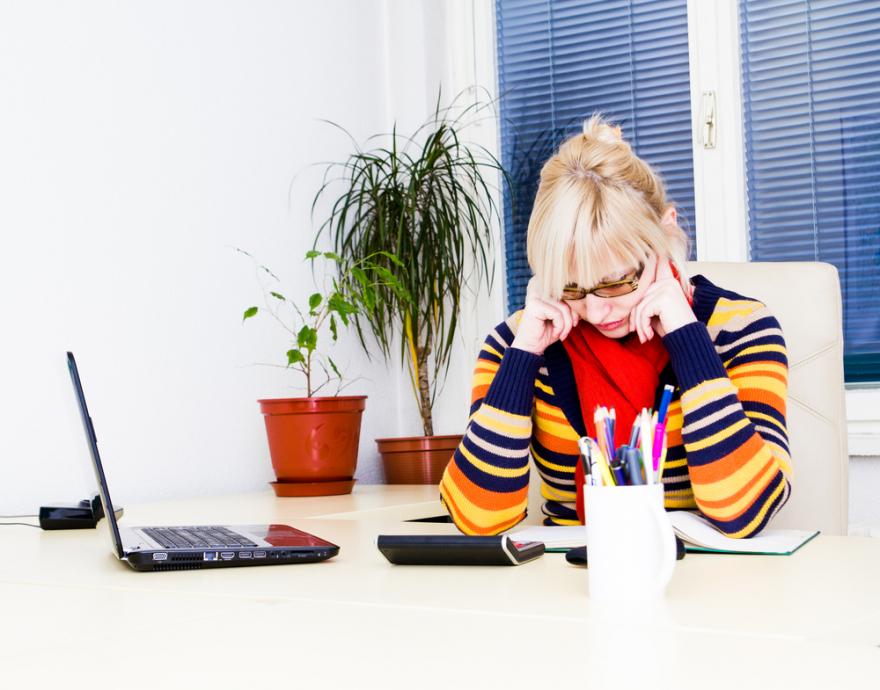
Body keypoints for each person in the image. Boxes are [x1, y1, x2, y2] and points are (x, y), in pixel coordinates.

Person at [439, 115, 792, 538]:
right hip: (573, 584)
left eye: (617, 282)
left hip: (705, 585)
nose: (598, 311)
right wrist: (524, 355)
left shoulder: (743, 329)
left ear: (666, 230)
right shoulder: (516, 341)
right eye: (572, 287)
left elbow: (745, 512)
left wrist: (687, 338)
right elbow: (479, 520)